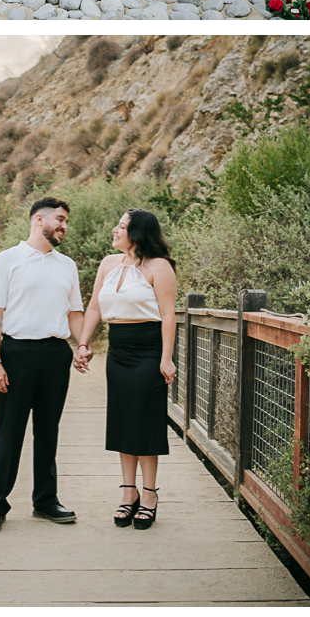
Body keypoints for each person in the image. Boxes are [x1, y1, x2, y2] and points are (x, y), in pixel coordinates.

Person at [0, 197, 83, 535]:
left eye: (66, 221)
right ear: (39, 219)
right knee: (10, 431)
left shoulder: (66, 265)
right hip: (16, 353)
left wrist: (81, 344)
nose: (64, 226)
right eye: (60, 219)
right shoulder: (8, 260)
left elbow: (74, 313)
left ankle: (45, 501)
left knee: (48, 430)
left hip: (56, 354)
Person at [74, 209, 176, 530]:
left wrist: (166, 358)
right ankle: (128, 492)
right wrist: (83, 343)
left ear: (138, 234)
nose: (115, 229)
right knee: (123, 420)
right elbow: (94, 306)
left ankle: (149, 495)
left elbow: (169, 315)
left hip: (148, 349)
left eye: (122, 226)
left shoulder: (160, 267)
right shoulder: (107, 263)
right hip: (118, 349)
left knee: (144, 419)